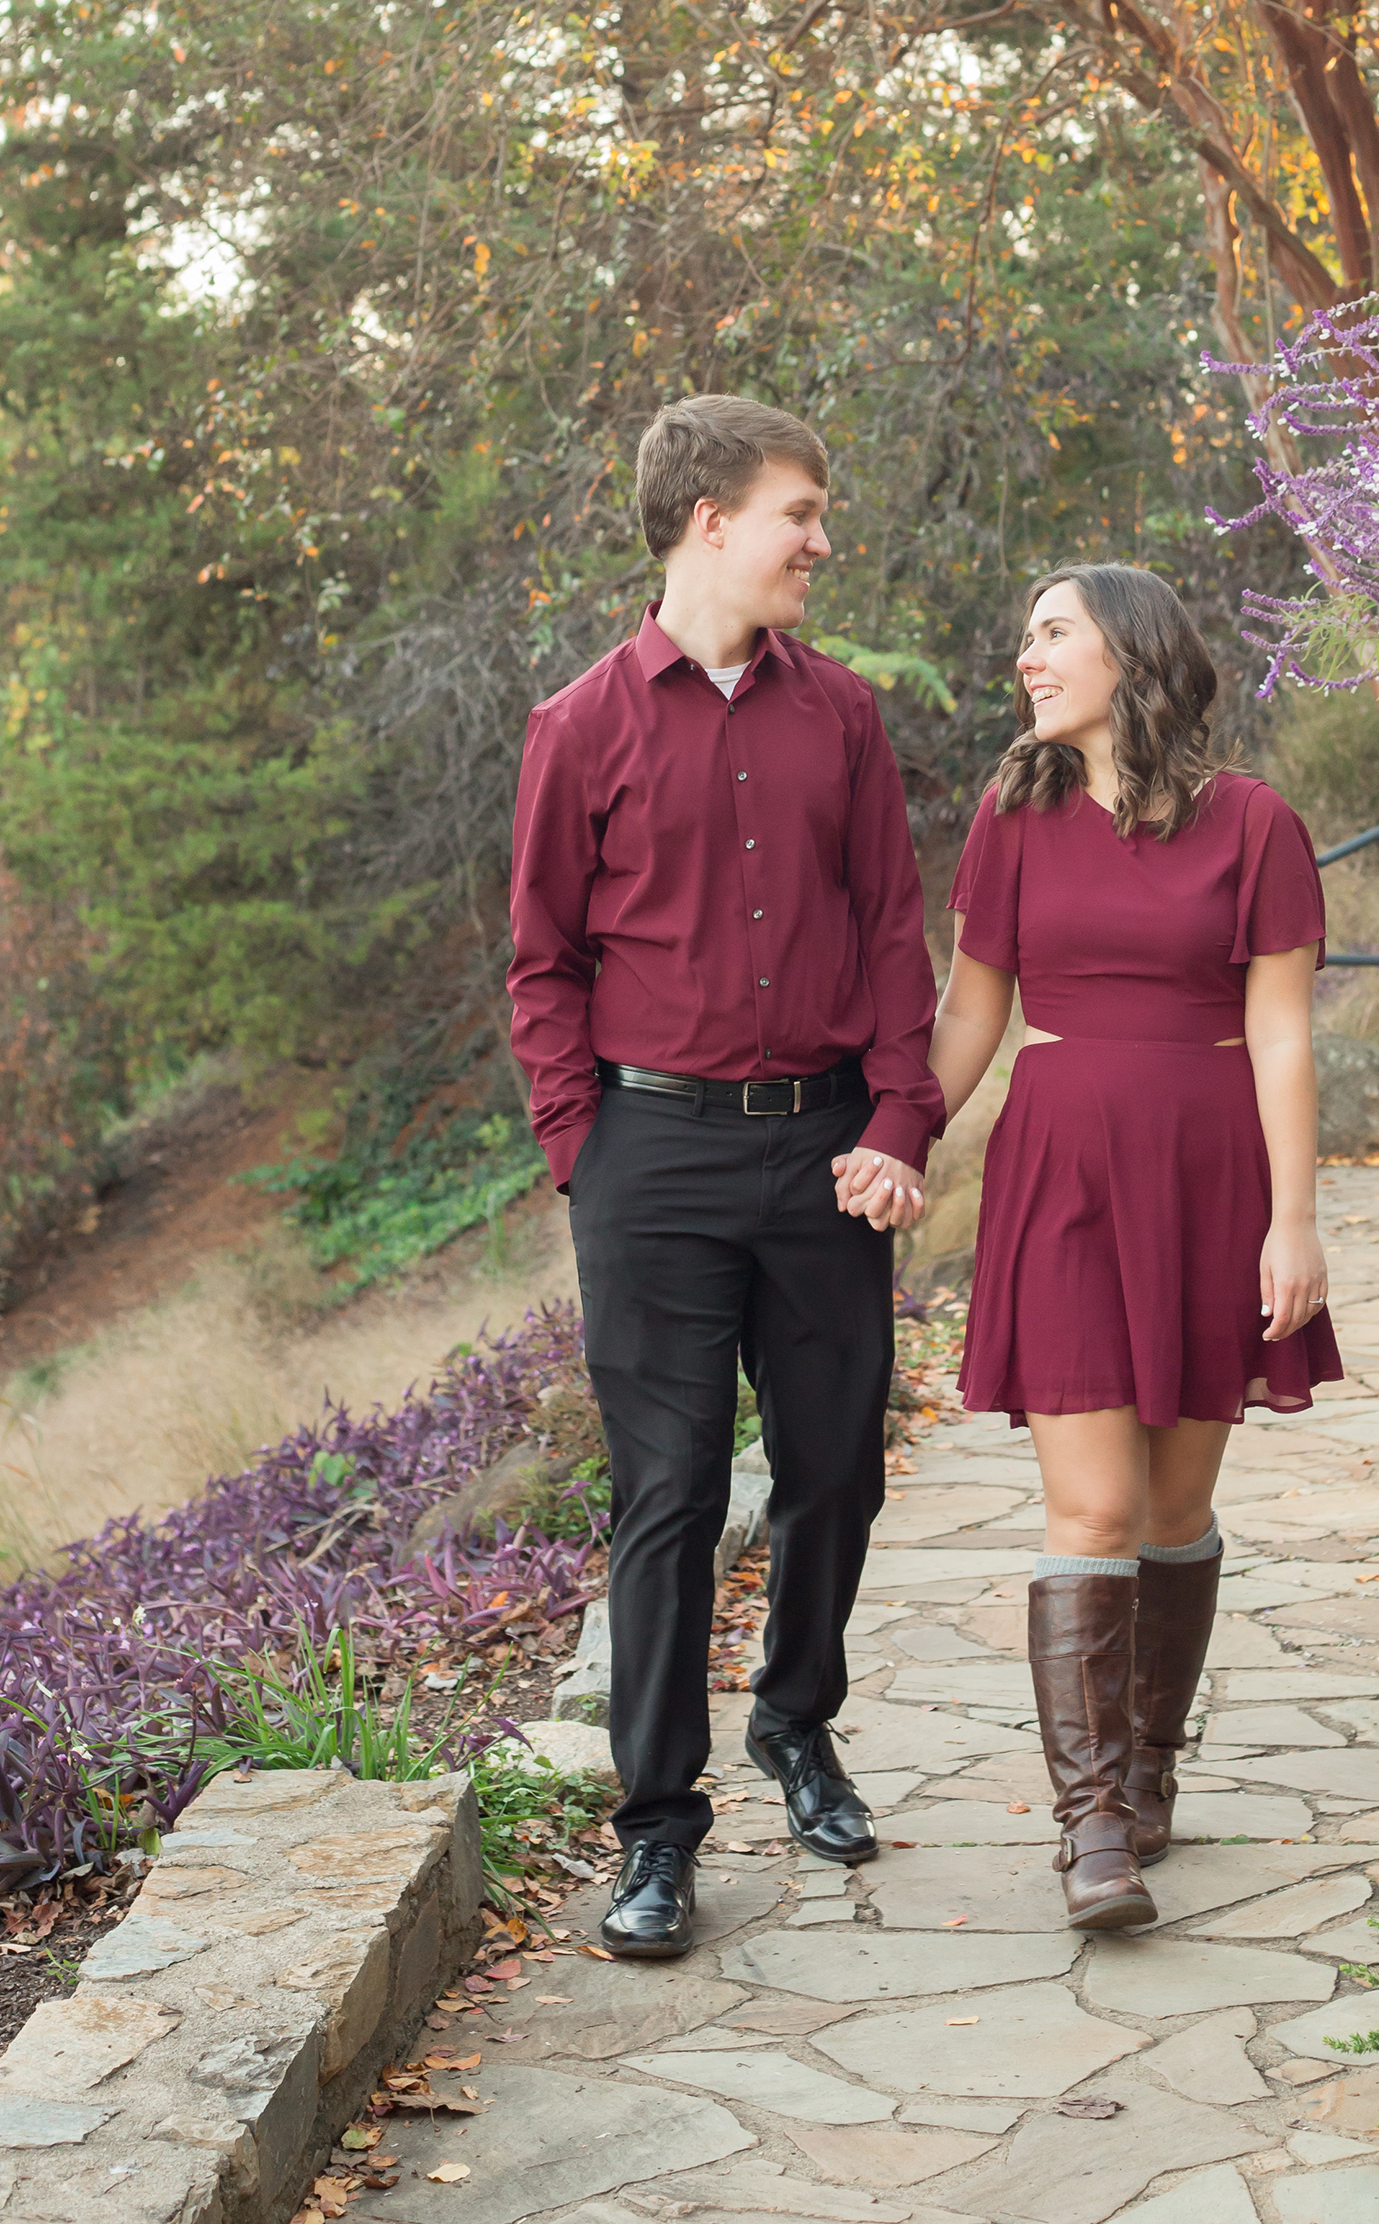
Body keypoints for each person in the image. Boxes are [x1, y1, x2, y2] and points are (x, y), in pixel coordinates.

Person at [507, 395, 942, 1960]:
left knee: (838, 1468)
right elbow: (542, 962)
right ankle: (659, 1832)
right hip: (654, 1160)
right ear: (709, 520)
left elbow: (896, 929)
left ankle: (797, 1723)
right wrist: (585, 1150)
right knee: (672, 1494)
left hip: (829, 1144)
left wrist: (900, 1119)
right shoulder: (580, 729)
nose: (822, 542)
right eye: (799, 514)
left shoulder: (842, 720)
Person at [917, 562, 1337, 1930]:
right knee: (1091, 1508)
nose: (1027, 658)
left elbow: (1280, 1031)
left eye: (1050, 634)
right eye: (1025, 635)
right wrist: (896, 1131)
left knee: (1170, 1511)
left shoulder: (1257, 826)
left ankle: (1151, 1769)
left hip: (1208, 1175)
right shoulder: (1014, 816)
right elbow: (974, 1008)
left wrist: (1295, 1217)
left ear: (1130, 655)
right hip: (1063, 1171)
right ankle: (1091, 1825)